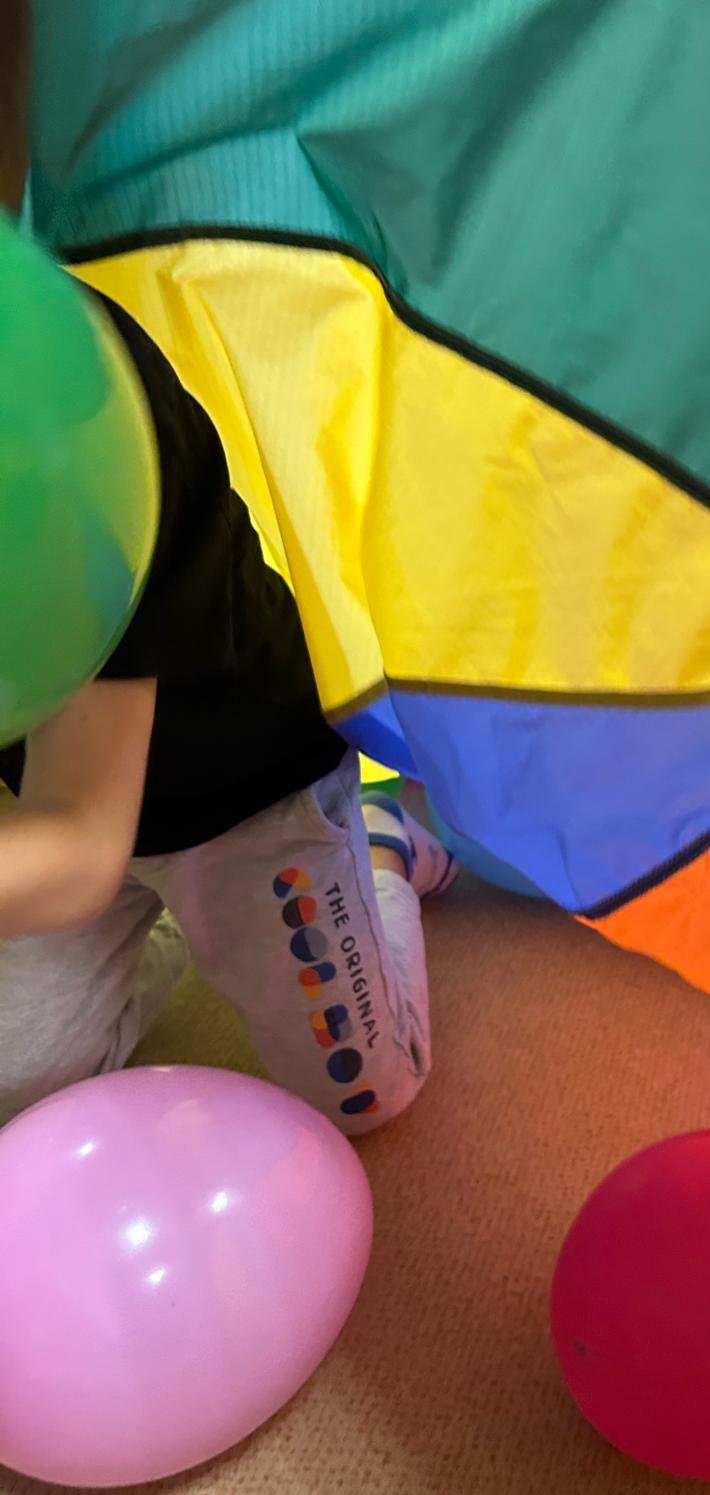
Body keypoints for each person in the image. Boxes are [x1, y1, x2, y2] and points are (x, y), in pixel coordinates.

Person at [0, 183, 455, 1133]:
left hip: (241, 795)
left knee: (367, 1090)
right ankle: (166, 935)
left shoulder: (60, 404)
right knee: (19, 1085)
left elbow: (80, 841)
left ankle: (377, 849)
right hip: (53, 814)